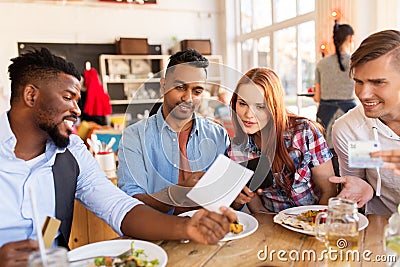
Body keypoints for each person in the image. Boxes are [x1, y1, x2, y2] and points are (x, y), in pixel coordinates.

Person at [0, 48, 237, 266]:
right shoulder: (136, 135)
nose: (77, 110)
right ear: (31, 96)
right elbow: (132, 194)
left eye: (77, 100)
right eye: (68, 97)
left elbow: (119, 207)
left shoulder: (71, 152)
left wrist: (187, 227)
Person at [117, 49, 230, 214]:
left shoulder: (218, 135)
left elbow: (225, 195)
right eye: (180, 87)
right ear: (163, 86)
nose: (188, 98)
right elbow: (130, 200)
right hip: (160, 235)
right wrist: (176, 194)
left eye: (197, 91)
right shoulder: (135, 137)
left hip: (211, 231)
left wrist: (237, 197)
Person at [228, 67, 337, 212]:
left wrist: (312, 225)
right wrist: (239, 198)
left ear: (274, 106)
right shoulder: (238, 149)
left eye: (260, 106)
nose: (248, 114)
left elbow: (329, 191)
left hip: (313, 221)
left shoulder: (304, 132)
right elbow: (258, 209)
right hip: (271, 224)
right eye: (242, 103)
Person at [331, 29, 400, 215]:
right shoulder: (349, 130)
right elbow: (356, 182)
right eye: (359, 81)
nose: (363, 94)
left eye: (377, 82)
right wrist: (363, 188)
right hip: (381, 233)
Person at [313, 22, 357, 176]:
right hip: (350, 114)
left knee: (326, 156)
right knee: (354, 157)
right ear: (350, 38)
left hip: (326, 115)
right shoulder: (356, 61)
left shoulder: (322, 64)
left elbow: (317, 97)